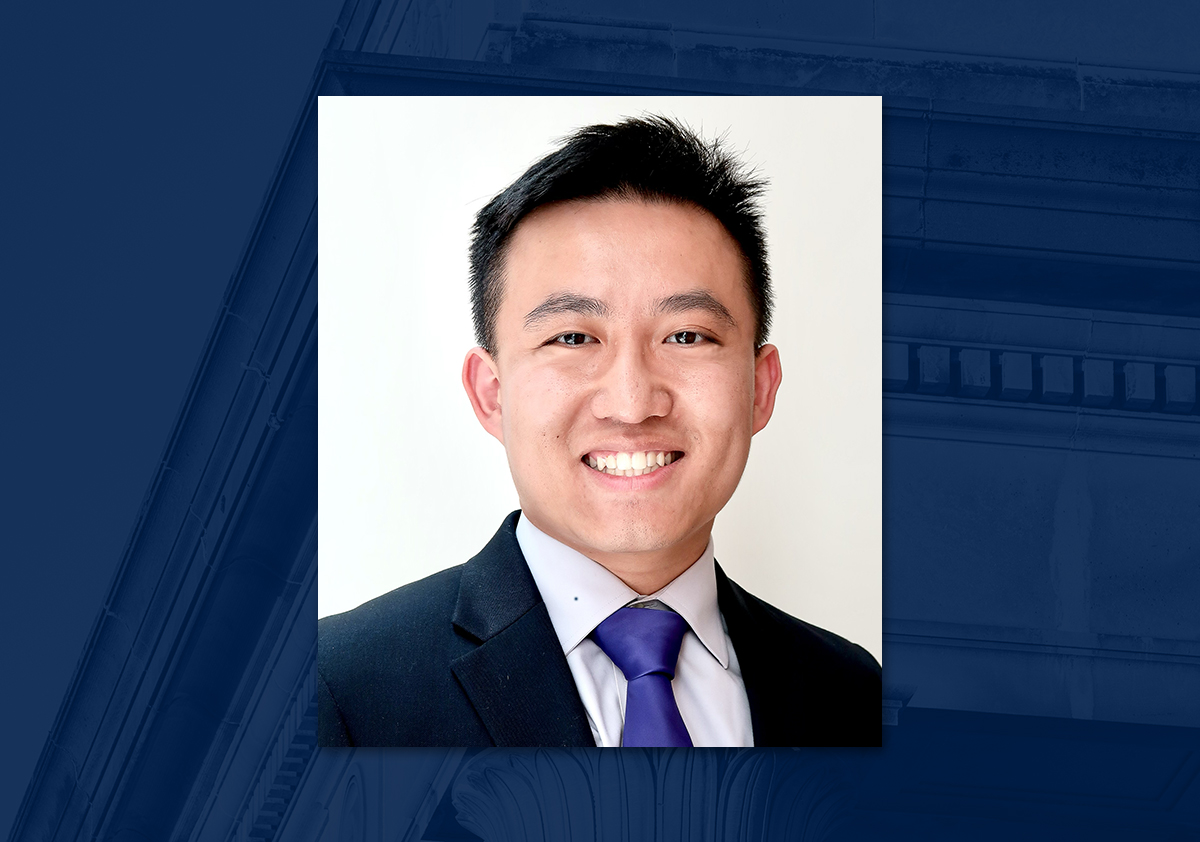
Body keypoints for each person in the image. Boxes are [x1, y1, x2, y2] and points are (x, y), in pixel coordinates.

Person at [318, 116, 881, 748]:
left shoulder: (852, 695)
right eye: (573, 338)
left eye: (687, 336)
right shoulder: (336, 692)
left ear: (761, 387)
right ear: (491, 393)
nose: (633, 402)